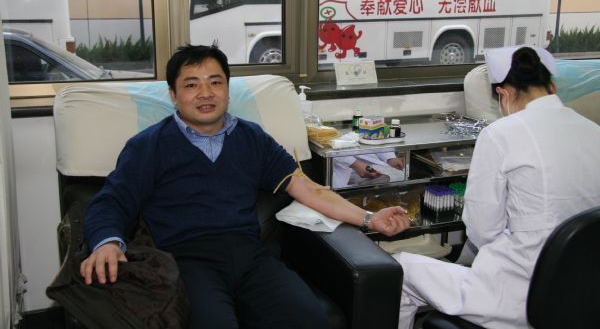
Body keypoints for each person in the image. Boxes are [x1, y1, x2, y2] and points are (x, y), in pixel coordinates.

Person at [80, 44, 411, 329]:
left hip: (251, 257)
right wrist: (106, 243)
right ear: (174, 95)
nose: (205, 93)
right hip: (187, 261)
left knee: (312, 320)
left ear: (227, 89)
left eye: (215, 82)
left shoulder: (253, 138)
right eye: (192, 84)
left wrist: (370, 218)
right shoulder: (148, 146)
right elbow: (112, 201)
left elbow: (308, 189)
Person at [393, 46, 600, 329]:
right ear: (552, 87)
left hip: (518, 296)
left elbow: (482, 230)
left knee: (400, 270)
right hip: (582, 293)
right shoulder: (594, 131)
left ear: (503, 93)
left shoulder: (500, 134)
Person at [332, 153, 406, 189]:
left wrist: (390, 158)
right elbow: (331, 145)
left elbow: (377, 136)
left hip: (374, 169)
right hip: (340, 172)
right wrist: (354, 163)